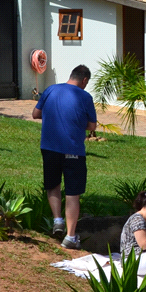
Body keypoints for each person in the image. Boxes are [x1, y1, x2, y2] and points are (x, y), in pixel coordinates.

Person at [32, 64, 98, 250]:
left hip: (49, 148)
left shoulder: (51, 90)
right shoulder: (85, 96)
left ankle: (57, 220)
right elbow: (92, 126)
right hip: (74, 151)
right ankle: (70, 236)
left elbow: (36, 114)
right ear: (84, 80)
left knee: (53, 184)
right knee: (72, 192)